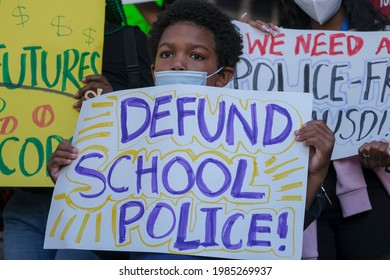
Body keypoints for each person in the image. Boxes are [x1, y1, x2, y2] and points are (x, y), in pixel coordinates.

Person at [47, 0, 334, 260]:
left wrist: (313, 174)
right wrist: (74, 185)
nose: (178, 63)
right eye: (166, 53)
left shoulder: (253, 141)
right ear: (154, 69)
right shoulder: (121, 138)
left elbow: (274, 232)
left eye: (196, 56)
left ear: (223, 76)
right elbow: (110, 249)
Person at [2, 0, 153, 260]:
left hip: (94, 207)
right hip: (28, 205)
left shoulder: (129, 40)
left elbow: (158, 118)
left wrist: (115, 100)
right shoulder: (13, 37)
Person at [242, 0, 390, 260]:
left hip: (369, 185)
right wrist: (244, 42)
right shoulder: (275, 41)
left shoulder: (383, 41)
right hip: (302, 188)